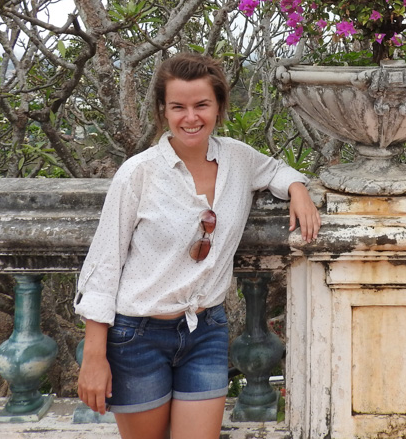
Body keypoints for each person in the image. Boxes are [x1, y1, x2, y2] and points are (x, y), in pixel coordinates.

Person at [74, 52, 321, 439]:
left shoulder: (237, 158)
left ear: (219, 106)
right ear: (164, 111)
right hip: (137, 336)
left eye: (201, 105)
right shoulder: (137, 175)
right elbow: (104, 265)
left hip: (206, 330)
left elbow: (275, 169)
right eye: (179, 107)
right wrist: (93, 358)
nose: (191, 117)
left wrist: (298, 188)